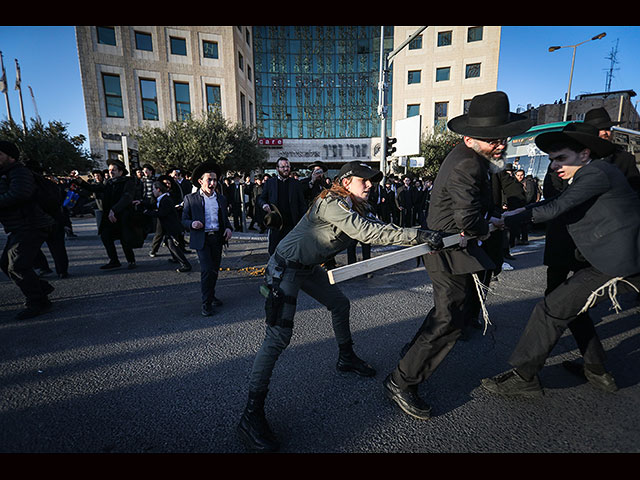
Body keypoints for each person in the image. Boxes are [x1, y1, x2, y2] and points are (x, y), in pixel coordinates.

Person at [237, 160, 445, 452]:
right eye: (365, 180)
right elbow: (367, 233)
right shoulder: (331, 203)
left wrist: (415, 233)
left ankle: (346, 357)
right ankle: (250, 415)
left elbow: (378, 226)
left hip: (307, 267)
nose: (371, 185)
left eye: (372, 180)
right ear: (346, 182)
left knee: (340, 305)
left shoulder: (355, 207)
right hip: (285, 268)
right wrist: (417, 236)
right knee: (278, 337)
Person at [384, 91, 530, 420]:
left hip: (455, 248)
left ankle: (412, 354)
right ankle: (400, 381)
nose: (501, 144)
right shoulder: (468, 164)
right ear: (469, 137)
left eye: (502, 137)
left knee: (451, 312)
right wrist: (488, 223)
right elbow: (467, 220)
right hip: (448, 249)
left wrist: (484, 221)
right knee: (449, 318)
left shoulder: (474, 159)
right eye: (492, 139)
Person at [481, 122, 640, 397]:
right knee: (574, 309)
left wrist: (509, 220)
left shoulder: (596, 172)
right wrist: (512, 216)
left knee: (550, 308)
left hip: (617, 261)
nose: (554, 166)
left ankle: (524, 377)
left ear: (585, 154)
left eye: (561, 158)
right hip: (609, 259)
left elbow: (557, 207)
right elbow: (549, 205)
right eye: (552, 160)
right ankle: (597, 370)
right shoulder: (590, 174)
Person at [0, 141, 56, 319]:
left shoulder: (19, 171)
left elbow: (20, 193)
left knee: (18, 265)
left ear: (10, 156)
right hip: (19, 226)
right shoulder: (5, 173)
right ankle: (40, 289)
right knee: (6, 264)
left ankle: (37, 301)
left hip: (31, 224)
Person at [182, 162, 232, 316]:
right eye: (209, 180)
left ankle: (211, 295)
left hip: (217, 238)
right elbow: (184, 220)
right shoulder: (191, 199)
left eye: (215, 180)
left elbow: (225, 219)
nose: (212, 183)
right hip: (201, 240)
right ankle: (206, 303)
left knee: (214, 270)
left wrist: (229, 228)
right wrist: (192, 223)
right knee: (206, 270)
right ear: (200, 181)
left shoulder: (221, 199)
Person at [74, 159, 141, 270]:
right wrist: (78, 180)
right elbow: (93, 188)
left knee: (125, 239)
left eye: (113, 170)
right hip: (109, 215)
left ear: (121, 171)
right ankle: (114, 260)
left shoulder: (128, 182)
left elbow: (126, 198)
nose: (110, 172)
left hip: (123, 215)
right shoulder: (109, 182)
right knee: (105, 236)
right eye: (109, 170)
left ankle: (131, 260)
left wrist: (114, 210)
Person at [136, 181, 191, 273]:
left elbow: (162, 213)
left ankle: (186, 264)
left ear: (158, 189)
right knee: (169, 243)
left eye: (153, 189)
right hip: (169, 227)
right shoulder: (163, 198)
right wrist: (141, 202)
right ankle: (176, 259)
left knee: (173, 245)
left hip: (172, 227)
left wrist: (147, 212)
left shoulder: (166, 200)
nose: (153, 191)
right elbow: (153, 205)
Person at [583, 107, 640, 194]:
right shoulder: (577, 156)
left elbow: (635, 189)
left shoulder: (625, 159)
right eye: (599, 129)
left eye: (607, 128)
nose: (604, 133)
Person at [258, 157, 307, 255]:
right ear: (277, 168)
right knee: (273, 251)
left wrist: (304, 221)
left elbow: (302, 204)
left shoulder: (295, 184)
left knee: (291, 251)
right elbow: (261, 198)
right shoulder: (270, 183)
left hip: (292, 224)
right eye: (283, 167)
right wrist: (264, 205)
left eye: (288, 166)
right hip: (276, 224)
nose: (286, 169)